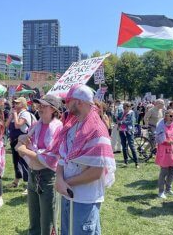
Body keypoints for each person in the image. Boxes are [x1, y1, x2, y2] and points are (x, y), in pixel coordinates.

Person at [54, 84, 116, 235]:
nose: (66, 104)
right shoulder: (72, 125)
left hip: (85, 199)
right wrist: (59, 178)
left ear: (79, 102)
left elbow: (96, 172)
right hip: (67, 194)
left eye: (68, 100)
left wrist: (65, 183)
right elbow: (63, 157)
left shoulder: (97, 129)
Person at [16, 95, 63, 235]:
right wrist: (23, 144)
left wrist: (26, 150)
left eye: (44, 105)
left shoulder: (58, 128)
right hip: (32, 174)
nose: (40, 108)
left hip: (48, 177)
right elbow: (19, 149)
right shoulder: (36, 125)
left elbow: (51, 158)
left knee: (47, 220)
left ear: (53, 109)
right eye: (39, 105)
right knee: (34, 218)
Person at [6, 97, 36, 191]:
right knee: (16, 162)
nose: (15, 104)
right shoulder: (16, 114)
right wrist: (12, 115)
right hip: (14, 141)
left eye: (17, 103)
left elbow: (17, 125)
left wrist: (15, 114)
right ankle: (16, 181)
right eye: (14, 103)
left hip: (23, 141)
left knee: (24, 163)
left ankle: (29, 185)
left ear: (23, 104)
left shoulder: (25, 114)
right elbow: (6, 125)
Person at [155, 109, 173, 199]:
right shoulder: (161, 126)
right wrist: (171, 142)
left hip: (172, 152)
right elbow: (159, 140)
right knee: (164, 172)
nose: (172, 118)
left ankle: (168, 189)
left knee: (172, 171)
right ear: (165, 116)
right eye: (170, 116)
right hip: (164, 153)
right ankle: (161, 191)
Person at [118, 102, 139, 168]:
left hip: (129, 131)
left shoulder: (131, 113)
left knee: (131, 146)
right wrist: (116, 116)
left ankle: (136, 163)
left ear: (129, 107)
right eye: (124, 107)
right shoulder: (121, 112)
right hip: (121, 131)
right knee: (124, 147)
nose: (125, 108)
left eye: (126, 107)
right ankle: (125, 162)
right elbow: (117, 119)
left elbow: (131, 121)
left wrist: (122, 122)